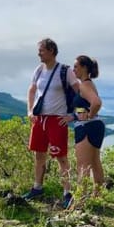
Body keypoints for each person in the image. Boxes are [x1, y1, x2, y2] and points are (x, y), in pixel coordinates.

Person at [23, 38, 80, 209]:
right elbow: (32, 90)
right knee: (39, 155)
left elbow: (79, 92)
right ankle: (37, 188)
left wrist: (74, 115)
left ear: (51, 51)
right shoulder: (39, 70)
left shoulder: (65, 71)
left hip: (58, 119)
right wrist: (30, 110)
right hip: (40, 119)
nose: (38, 53)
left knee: (61, 157)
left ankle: (67, 193)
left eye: (41, 50)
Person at [60, 55, 104, 195]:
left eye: (76, 67)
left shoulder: (84, 85)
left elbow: (96, 103)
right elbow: (85, 107)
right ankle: (97, 196)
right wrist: (74, 116)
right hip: (95, 126)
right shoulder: (89, 84)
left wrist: (89, 116)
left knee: (82, 166)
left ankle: (80, 201)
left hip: (87, 127)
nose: (73, 70)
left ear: (84, 67)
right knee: (95, 163)